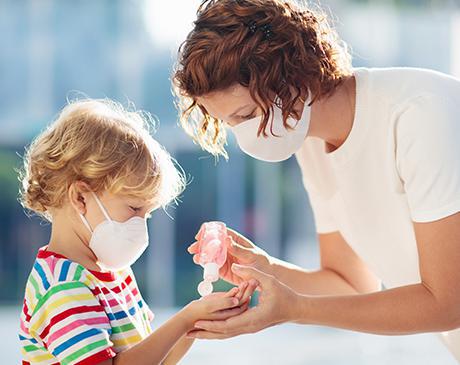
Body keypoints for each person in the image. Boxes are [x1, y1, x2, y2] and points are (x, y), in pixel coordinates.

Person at [172, 0, 460, 361]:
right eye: (231, 125)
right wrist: (266, 270)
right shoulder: (310, 142)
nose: (245, 137)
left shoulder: (419, 115)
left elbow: (448, 303)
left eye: (245, 115)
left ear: (290, 76)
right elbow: (350, 285)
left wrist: (297, 310)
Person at [18, 99, 257, 365]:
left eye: (148, 214)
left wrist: (196, 321)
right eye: (134, 208)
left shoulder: (114, 272)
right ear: (80, 198)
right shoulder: (63, 287)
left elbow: (156, 359)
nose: (141, 226)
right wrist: (186, 318)